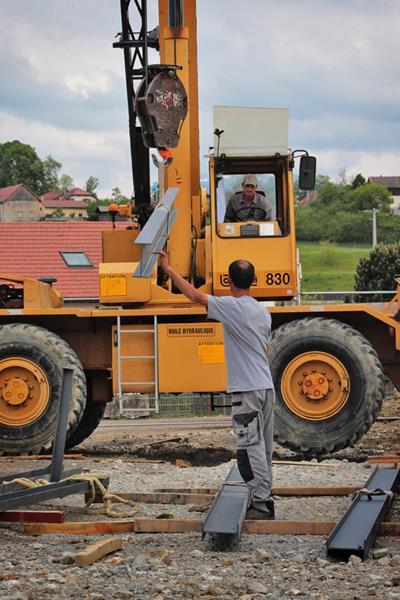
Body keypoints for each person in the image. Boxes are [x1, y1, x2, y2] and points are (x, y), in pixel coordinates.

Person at [158, 250, 275, 520]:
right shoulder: (262, 311)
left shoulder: (231, 307)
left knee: (250, 447)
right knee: (264, 448)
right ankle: (264, 497)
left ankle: (262, 504)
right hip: (265, 387)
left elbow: (195, 297)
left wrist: (169, 269)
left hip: (247, 389)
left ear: (229, 281)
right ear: (253, 280)